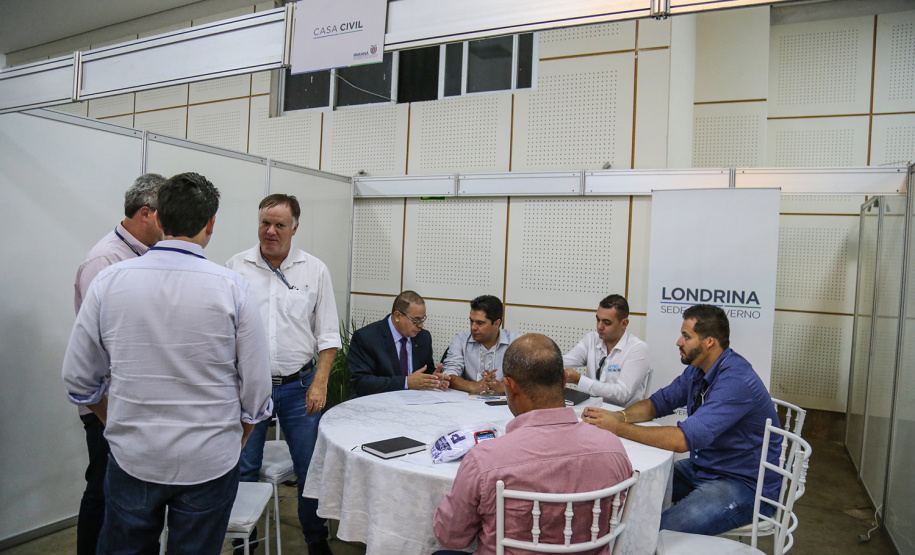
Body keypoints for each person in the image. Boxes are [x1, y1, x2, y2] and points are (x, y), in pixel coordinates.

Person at [62, 172, 273, 555]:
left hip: (133, 456)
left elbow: (78, 379)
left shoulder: (109, 281)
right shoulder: (233, 288)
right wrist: (237, 438)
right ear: (211, 223)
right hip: (210, 458)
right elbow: (257, 389)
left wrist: (116, 422)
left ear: (158, 219)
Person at [581, 304, 780, 536]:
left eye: (686, 336)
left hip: (744, 484)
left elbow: (682, 440)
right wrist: (618, 415)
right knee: (624, 500)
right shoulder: (699, 369)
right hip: (704, 466)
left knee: (655, 531)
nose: (678, 342)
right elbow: (657, 403)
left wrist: (618, 427)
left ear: (709, 342)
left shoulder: (736, 381)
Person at [433, 334, 633, 555]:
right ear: (565, 380)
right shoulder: (613, 448)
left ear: (509, 387)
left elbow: (451, 536)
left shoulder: (485, 460)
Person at [226, 194, 340, 555]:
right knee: (245, 468)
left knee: (309, 469)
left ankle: (314, 540)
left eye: (279, 225)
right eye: (265, 223)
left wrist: (320, 383)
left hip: (300, 387)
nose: (270, 231)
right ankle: (247, 542)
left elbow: (328, 336)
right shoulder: (236, 266)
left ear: (295, 228)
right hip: (250, 387)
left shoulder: (314, 269)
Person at [71, 172, 165, 555]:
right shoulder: (106, 260)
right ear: (146, 213)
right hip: (109, 403)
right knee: (104, 490)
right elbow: (107, 341)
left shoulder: (143, 255)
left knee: (121, 492)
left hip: (132, 401)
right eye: (167, 215)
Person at [349, 291, 449, 396]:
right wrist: (407, 382)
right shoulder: (367, 338)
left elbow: (426, 369)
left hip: (414, 403)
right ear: (397, 316)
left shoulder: (423, 337)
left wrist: (433, 378)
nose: (421, 325)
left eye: (423, 319)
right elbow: (361, 382)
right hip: (378, 403)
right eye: (416, 320)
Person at [563, 294, 649, 407]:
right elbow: (564, 361)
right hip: (591, 411)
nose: (600, 326)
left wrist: (579, 380)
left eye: (606, 322)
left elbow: (622, 395)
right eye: (598, 320)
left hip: (623, 416)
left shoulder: (638, 348)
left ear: (624, 323)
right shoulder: (591, 339)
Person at [442, 295, 520, 395]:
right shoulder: (461, 339)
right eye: (471, 321)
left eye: (480, 323)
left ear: (496, 323)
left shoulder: (516, 343)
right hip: (467, 401)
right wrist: (473, 386)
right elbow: (448, 374)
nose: (473, 327)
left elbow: (529, 382)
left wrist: (503, 387)